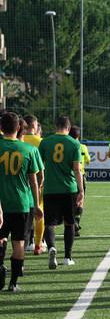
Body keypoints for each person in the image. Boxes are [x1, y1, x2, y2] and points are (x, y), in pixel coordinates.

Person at [0, 112, 43, 292]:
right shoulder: (29, 149)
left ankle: (0, 267)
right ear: (19, 129)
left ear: (1, 128)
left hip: (1, 205)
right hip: (22, 203)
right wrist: (37, 205)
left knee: (1, 237)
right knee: (19, 242)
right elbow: (34, 181)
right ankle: (13, 283)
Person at [39, 115, 84, 269]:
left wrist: (42, 179)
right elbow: (77, 169)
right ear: (69, 127)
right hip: (69, 189)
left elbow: (39, 166)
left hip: (50, 189)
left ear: (55, 126)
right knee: (69, 223)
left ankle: (51, 247)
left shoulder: (45, 142)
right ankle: (67, 257)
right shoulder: (74, 143)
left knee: (50, 223)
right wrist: (81, 190)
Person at [23, 115, 46, 255]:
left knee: (24, 213)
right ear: (34, 126)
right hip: (37, 181)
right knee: (39, 211)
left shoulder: (19, 140)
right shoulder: (41, 142)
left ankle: (25, 243)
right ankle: (38, 245)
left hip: (19, 182)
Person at [69, 125, 91, 236]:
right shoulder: (82, 147)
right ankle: (77, 221)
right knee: (80, 201)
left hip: (69, 176)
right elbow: (88, 161)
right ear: (78, 136)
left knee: (70, 202)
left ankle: (72, 223)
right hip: (80, 176)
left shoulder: (66, 145)